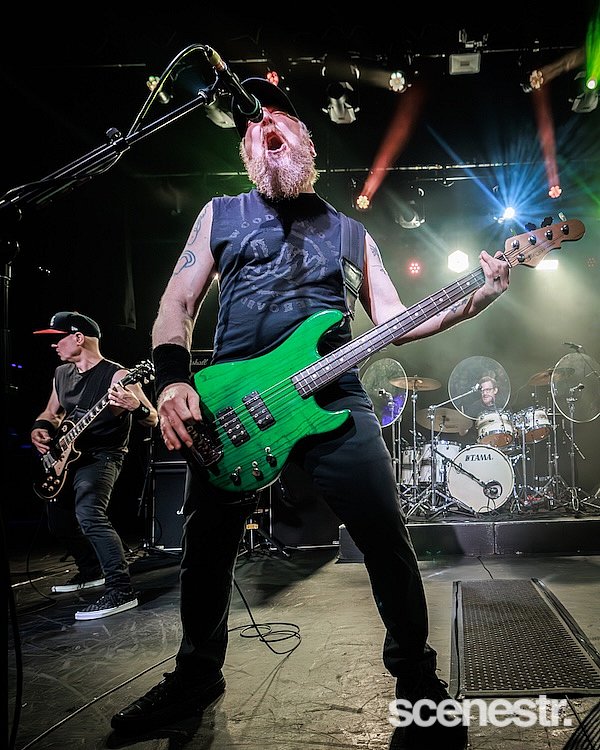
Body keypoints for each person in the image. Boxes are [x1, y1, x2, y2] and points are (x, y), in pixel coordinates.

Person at [111, 78, 509, 746]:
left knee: (384, 533)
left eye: (278, 119)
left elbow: (394, 318)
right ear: (246, 148)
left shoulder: (350, 231)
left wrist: (476, 299)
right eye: (253, 123)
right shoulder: (220, 214)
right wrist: (176, 381)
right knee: (206, 549)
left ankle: (418, 684)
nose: (264, 125)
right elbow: (175, 303)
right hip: (233, 402)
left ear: (304, 139)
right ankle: (195, 675)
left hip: (333, 394)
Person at [31, 311, 158, 620]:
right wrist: (41, 427)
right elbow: (52, 412)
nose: (53, 345)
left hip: (104, 455)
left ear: (78, 338)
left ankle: (121, 589)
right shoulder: (62, 373)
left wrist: (136, 406)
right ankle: (91, 571)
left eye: (58, 339)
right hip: (69, 456)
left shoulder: (116, 376)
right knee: (59, 521)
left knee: (89, 514)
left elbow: (153, 417)